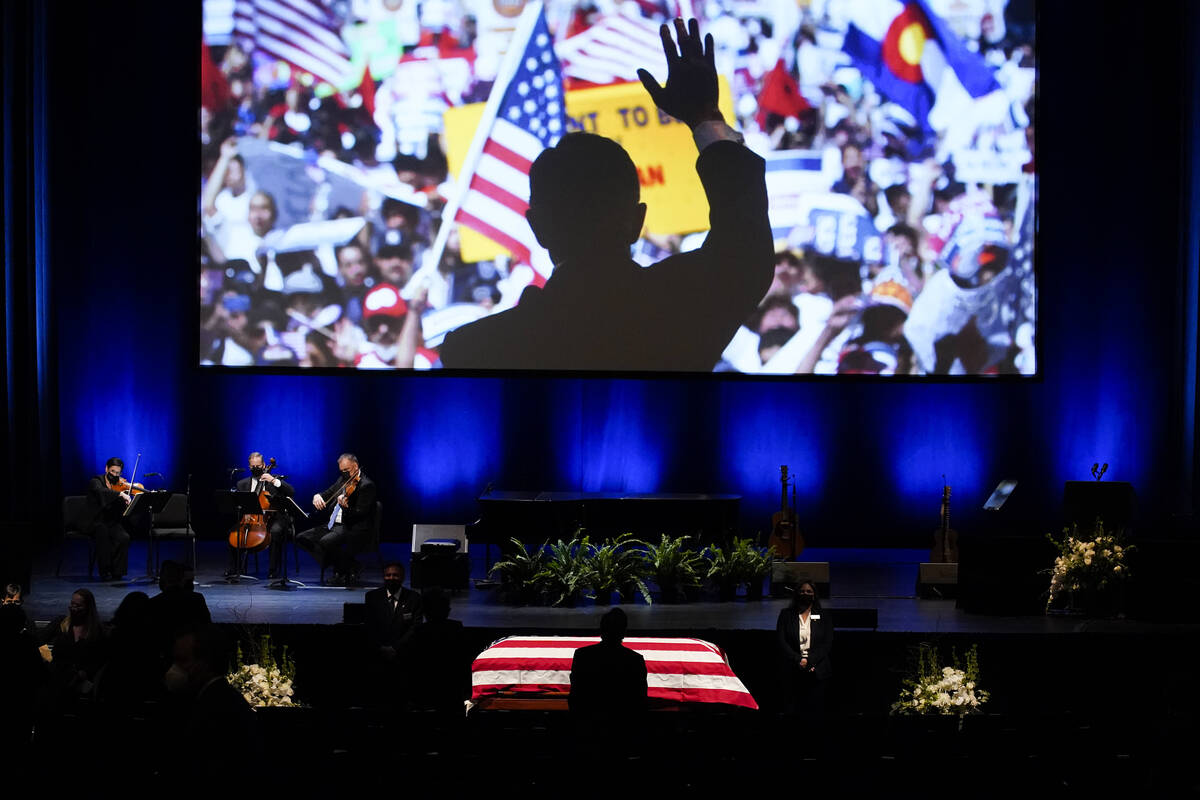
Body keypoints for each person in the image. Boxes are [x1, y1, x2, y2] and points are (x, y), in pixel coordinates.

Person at [439, 18, 773, 372]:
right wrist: (705, 118)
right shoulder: (685, 306)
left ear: (537, 227)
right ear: (638, 221)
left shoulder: (475, 351)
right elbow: (745, 250)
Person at [296, 453, 377, 585]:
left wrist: (345, 507)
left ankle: (340, 570)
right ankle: (349, 565)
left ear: (355, 466)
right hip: (332, 524)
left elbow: (361, 514)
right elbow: (328, 493)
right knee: (301, 538)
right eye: (342, 471)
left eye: (347, 470)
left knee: (325, 542)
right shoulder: (342, 480)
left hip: (350, 525)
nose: (344, 474)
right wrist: (317, 496)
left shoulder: (366, 485)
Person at [568, 608, 648, 718]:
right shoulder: (635, 660)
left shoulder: (582, 655)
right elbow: (640, 700)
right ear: (624, 632)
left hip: (588, 721)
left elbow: (575, 696)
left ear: (601, 630)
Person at [227, 452, 295, 579]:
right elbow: (240, 504)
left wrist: (273, 480)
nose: (256, 468)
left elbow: (291, 491)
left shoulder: (273, 479)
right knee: (233, 532)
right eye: (253, 466)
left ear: (264, 465)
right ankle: (235, 568)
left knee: (275, 531)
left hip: (274, 517)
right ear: (249, 467)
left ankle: (273, 569)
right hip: (252, 518)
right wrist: (245, 512)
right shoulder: (242, 484)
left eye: (258, 466)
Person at [775, 580, 832, 716]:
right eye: (802, 591)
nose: (805, 593)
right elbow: (781, 641)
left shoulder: (824, 616)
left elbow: (827, 643)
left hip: (817, 669)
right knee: (792, 710)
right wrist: (799, 660)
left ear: (814, 595)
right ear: (796, 594)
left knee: (814, 711)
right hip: (792, 667)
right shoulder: (786, 614)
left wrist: (810, 661)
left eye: (808, 591)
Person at [42, 588, 108, 702]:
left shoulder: (96, 631)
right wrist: (49, 659)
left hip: (82, 683)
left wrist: (86, 673)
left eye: (79, 606)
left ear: (88, 608)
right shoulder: (61, 623)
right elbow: (39, 639)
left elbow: (101, 658)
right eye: (72, 604)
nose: (74, 608)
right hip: (58, 679)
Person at [83, 457, 137, 580]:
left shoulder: (119, 484)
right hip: (95, 521)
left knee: (124, 537)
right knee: (103, 533)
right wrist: (119, 494)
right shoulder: (96, 481)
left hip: (110, 521)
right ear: (106, 468)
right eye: (112, 471)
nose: (115, 475)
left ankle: (117, 572)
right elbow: (101, 491)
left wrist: (125, 501)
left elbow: (117, 508)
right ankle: (105, 571)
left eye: (118, 473)